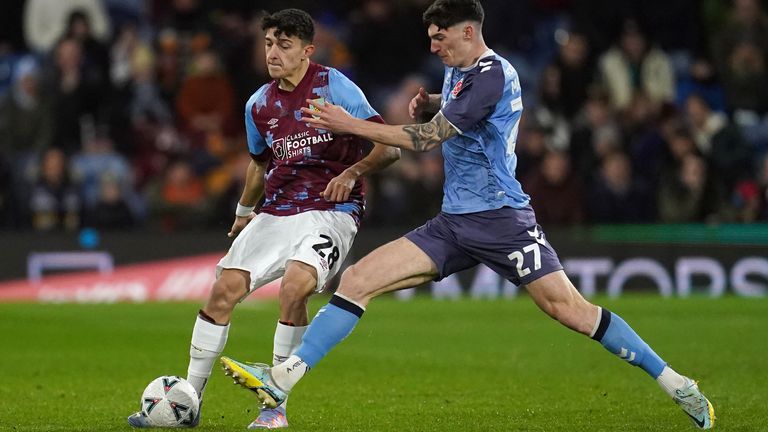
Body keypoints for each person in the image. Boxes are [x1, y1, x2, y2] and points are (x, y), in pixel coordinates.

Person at [219, 1, 715, 429]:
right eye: (431, 39)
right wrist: (432, 101)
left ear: (468, 31)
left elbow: (429, 139)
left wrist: (351, 124)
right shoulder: (463, 72)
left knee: (571, 312)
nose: (434, 47)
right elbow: (455, 112)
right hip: (455, 222)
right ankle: (282, 379)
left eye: (440, 38)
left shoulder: (494, 72)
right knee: (358, 279)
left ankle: (675, 382)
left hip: (502, 219)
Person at [127, 8, 399, 429]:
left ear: (307, 50)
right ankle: (190, 401)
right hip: (275, 211)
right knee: (222, 294)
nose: (273, 52)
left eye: (284, 45)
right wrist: (243, 213)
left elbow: (388, 147)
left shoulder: (335, 86)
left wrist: (352, 173)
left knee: (296, 288)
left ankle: (274, 410)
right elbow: (258, 165)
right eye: (269, 43)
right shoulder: (259, 104)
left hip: (330, 211)